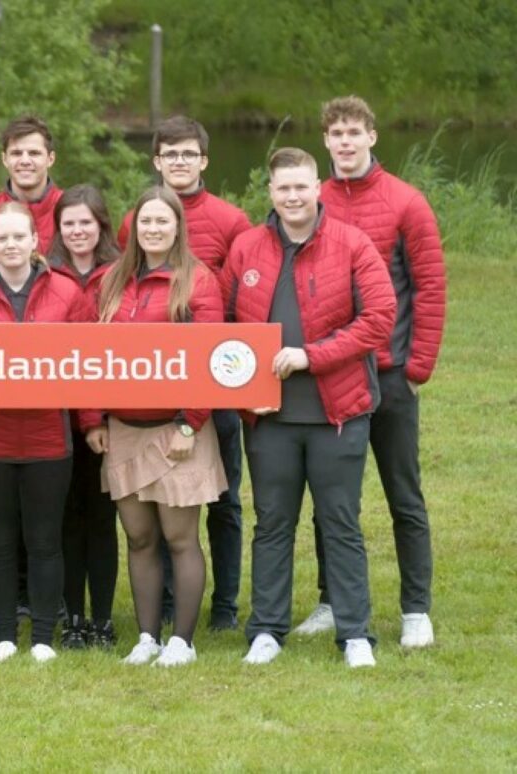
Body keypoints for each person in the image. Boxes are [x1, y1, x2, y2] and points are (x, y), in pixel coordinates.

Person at [221, 147, 396, 669]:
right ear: (270, 192)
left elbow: (380, 318)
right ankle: (267, 629)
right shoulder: (248, 247)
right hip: (268, 418)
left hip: (338, 413)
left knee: (340, 521)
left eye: (301, 186)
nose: (292, 196)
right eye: (282, 188)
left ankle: (354, 633)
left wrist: (311, 355)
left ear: (317, 187)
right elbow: (224, 325)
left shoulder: (351, 243)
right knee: (272, 521)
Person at [292, 96, 446, 649]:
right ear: (325, 142)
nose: (345, 143)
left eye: (354, 132)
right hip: (332, 375)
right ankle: (333, 601)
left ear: (372, 137)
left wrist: (417, 366)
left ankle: (415, 610)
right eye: (335, 134)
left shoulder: (406, 202)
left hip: (390, 373)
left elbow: (428, 287)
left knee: (404, 493)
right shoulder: (314, 200)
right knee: (332, 497)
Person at [81, 188, 226, 668]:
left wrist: (191, 423)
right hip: (123, 427)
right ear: (134, 228)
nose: (154, 229)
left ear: (178, 226)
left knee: (180, 537)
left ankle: (182, 641)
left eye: (163, 221)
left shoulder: (198, 281)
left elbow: (210, 359)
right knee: (139, 537)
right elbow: (89, 355)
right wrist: (92, 417)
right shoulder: (112, 280)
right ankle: (147, 636)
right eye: (146, 222)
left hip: (177, 429)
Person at [118, 116, 252, 631]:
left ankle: (222, 608)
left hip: (210, 388)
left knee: (221, 501)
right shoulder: (135, 225)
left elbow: (236, 304)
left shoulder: (231, 220)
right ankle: (165, 610)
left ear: (203, 160)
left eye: (187, 153)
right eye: (169, 153)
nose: (178, 161)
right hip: (139, 407)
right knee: (155, 515)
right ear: (157, 160)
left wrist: (202, 405)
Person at [0, 201, 93, 664]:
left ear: (35, 241)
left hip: (49, 436)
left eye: (19, 237)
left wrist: (90, 422)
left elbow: (90, 363)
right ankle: (5, 636)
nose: (11, 245)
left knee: (45, 539)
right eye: (2, 239)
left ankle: (45, 638)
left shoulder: (68, 294)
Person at [45, 184, 120, 650]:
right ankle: (72, 615)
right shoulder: (43, 274)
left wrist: (99, 416)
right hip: (57, 416)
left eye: (85, 223)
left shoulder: (120, 272)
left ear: (101, 226)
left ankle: (104, 618)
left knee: (102, 519)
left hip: (109, 418)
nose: (77, 231)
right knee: (67, 520)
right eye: (68, 223)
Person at [0, 116, 62, 281]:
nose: (25, 161)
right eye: (16, 153)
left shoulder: (72, 213)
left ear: (50, 159)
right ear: (4, 159)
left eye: (34, 153)